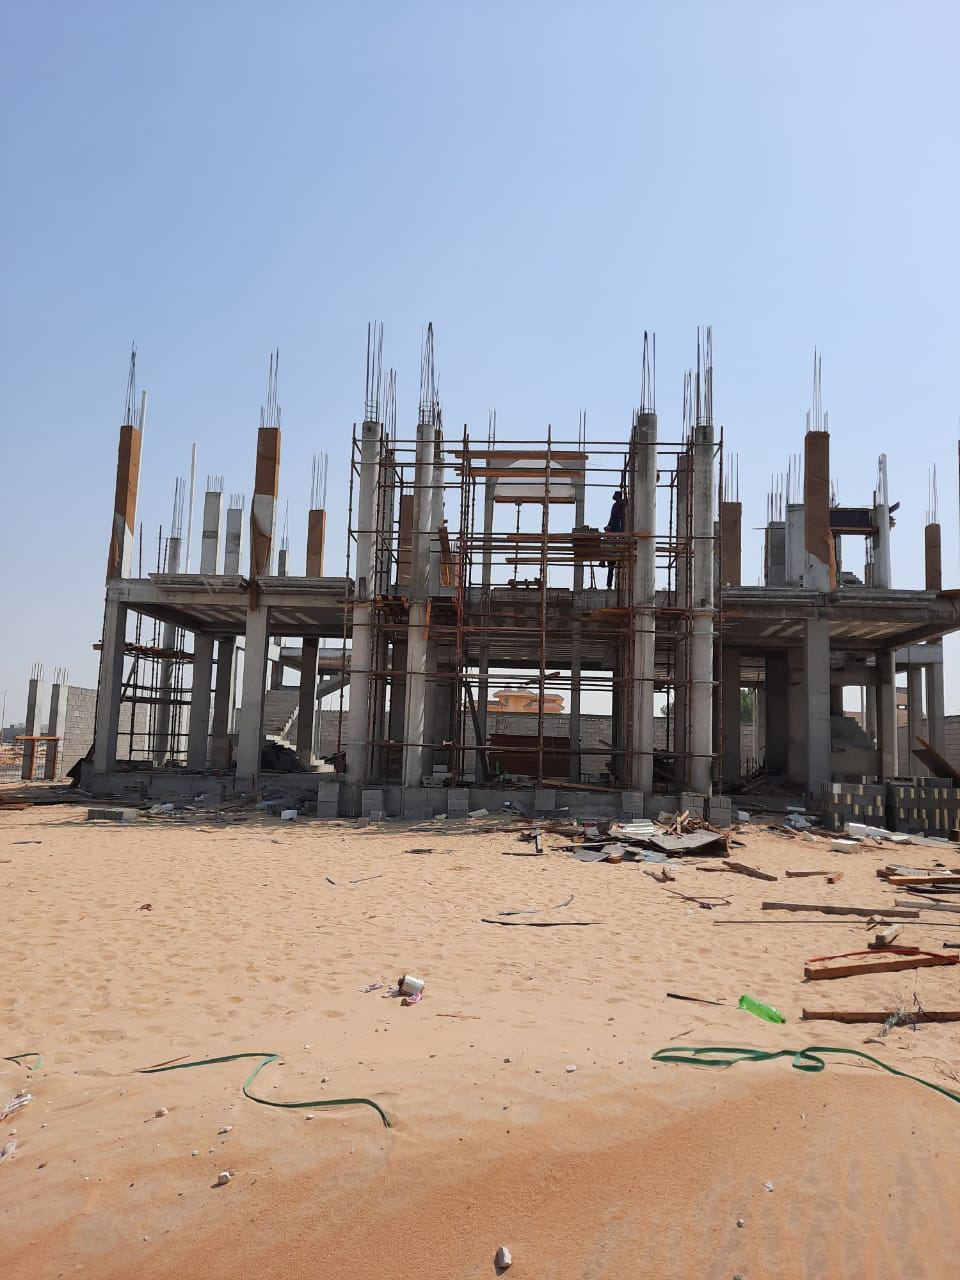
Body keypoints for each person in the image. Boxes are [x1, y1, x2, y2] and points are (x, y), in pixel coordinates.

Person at [605, 490, 626, 589]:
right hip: (613, 524)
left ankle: (616, 586)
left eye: (615, 494)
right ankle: (609, 585)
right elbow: (611, 516)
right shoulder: (615, 505)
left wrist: (624, 492)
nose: (613, 496)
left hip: (617, 525)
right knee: (610, 568)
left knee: (614, 567)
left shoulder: (620, 503)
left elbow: (625, 501)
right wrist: (608, 525)